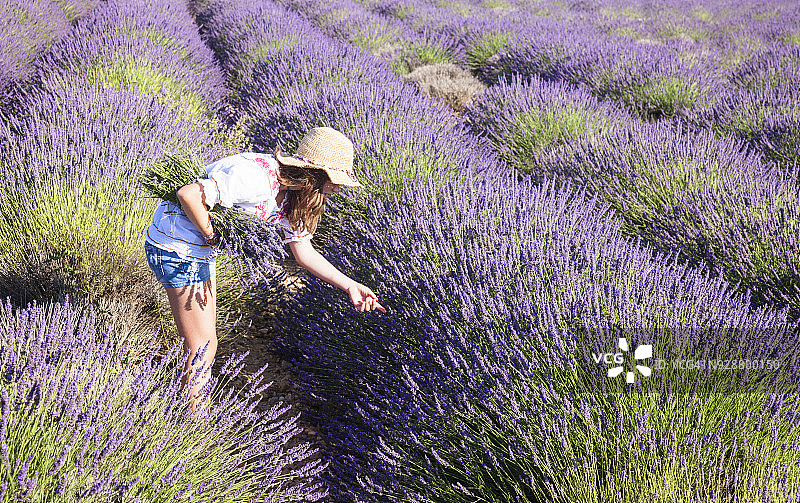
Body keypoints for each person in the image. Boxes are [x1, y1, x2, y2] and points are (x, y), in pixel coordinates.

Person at [143, 126, 386, 416]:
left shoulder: (295, 196)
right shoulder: (256, 179)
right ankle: (193, 421)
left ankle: (193, 411)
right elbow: (188, 195)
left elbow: (303, 250)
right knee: (202, 345)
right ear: (314, 173)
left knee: (205, 343)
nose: (337, 188)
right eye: (334, 180)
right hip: (176, 246)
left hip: (196, 249)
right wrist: (212, 236)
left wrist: (350, 285)